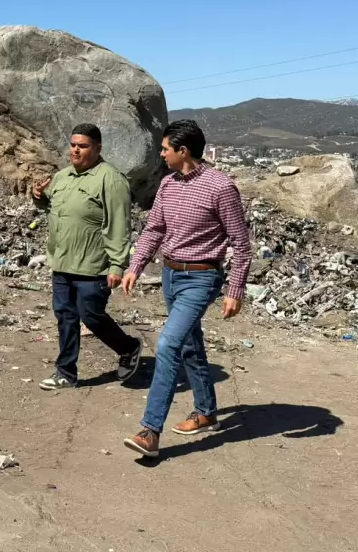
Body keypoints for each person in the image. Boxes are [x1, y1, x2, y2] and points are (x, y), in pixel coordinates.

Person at [121, 119, 251, 459]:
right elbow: (154, 229)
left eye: (165, 149)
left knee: (168, 344)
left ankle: (150, 431)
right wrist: (135, 266)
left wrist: (235, 289)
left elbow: (240, 243)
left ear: (183, 150)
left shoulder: (220, 187)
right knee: (190, 345)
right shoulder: (168, 185)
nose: (161, 154)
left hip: (202, 278)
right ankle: (206, 411)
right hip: (170, 275)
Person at [32, 123, 143, 390]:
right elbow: (51, 207)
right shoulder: (62, 177)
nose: (75, 150)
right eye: (73, 145)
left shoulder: (111, 179)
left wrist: (117, 265)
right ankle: (65, 372)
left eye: (82, 146)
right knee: (65, 316)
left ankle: (128, 347)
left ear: (97, 148)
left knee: (91, 316)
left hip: (93, 265)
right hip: (62, 262)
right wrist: (38, 197)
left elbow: (119, 225)